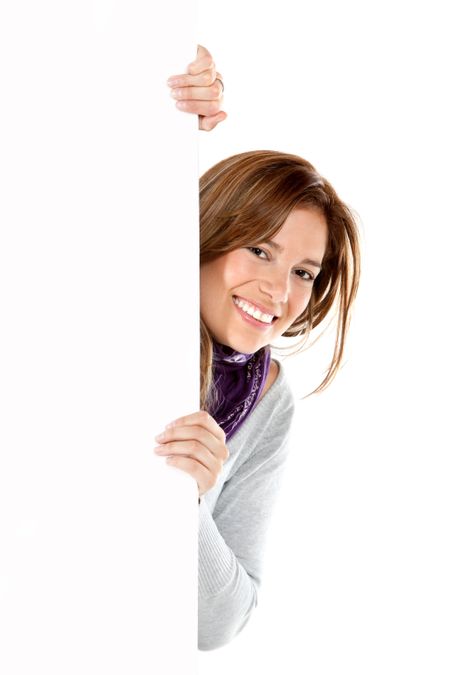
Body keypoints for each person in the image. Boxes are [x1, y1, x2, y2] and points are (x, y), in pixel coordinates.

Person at [156, 46, 361, 651]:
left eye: (304, 272)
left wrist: (184, 502)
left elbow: (219, 623)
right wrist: (166, 67)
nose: (278, 291)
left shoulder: (267, 400)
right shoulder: (122, 307)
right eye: (260, 251)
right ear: (209, 233)